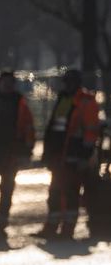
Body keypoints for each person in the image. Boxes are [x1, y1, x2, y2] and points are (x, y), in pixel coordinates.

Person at [35, 68, 101, 240]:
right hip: (61, 157)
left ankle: (67, 229)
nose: (68, 85)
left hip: (76, 157)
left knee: (70, 193)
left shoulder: (86, 101)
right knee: (55, 192)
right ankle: (52, 227)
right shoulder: (65, 100)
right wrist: (48, 153)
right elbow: (57, 128)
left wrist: (84, 157)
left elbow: (90, 133)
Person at [0, 70, 36, 241]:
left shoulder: (19, 102)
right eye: (5, 82)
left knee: (7, 191)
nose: (8, 86)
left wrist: (27, 151)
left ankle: (0, 225)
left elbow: (28, 127)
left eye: (11, 83)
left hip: (11, 154)